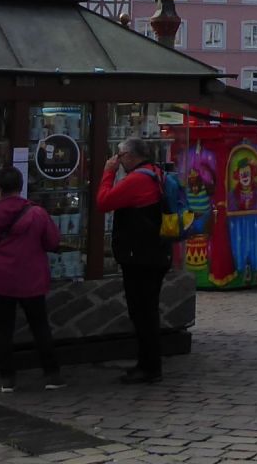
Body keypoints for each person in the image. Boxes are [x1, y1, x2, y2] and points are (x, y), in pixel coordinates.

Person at [0, 166, 65, 393]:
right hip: (31, 277)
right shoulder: (37, 213)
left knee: (4, 329)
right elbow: (53, 242)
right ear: (21, 187)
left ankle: (7, 379)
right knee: (40, 326)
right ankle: (52, 375)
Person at [96, 137, 172, 385]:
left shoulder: (138, 179)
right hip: (156, 253)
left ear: (130, 156)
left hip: (140, 256)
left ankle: (149, 367)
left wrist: (108, 173)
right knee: (147, 311)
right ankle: (148, 363)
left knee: (142, 312)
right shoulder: (155, 172)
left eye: (119, 155)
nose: (117, 160)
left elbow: (104, 202)